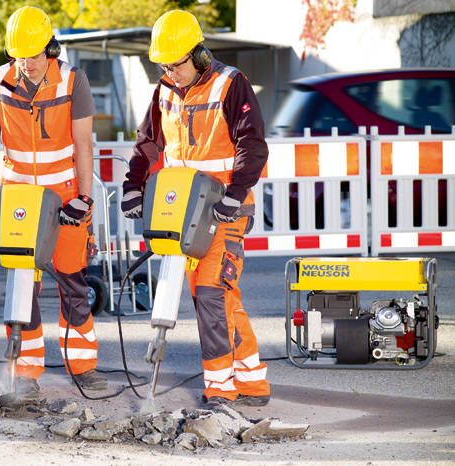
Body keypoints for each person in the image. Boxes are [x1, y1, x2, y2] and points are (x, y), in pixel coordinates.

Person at [120, 10, 271, 408]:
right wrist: (133, 187)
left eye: (178, 63)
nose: (172, 72)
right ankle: (252, 381)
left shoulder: (230, 84)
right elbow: (148, 145)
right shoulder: (165, 90)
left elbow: (252, 145)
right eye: (165, 65)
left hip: (226, 209)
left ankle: (221, 388)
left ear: (199, 54)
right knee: (220, 297)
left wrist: (236, 193)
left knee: (211, 293)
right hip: (184, 211)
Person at [0, 5, 106, 396]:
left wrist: (85, 198)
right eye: (18, 55)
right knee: (21, 284)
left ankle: (83, 366)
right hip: (18, 198)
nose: (25, 63)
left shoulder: (72, 81)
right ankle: (26, 370)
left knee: (73, 282)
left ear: (50, 48)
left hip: (63, 197)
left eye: (32, 54)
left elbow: (83, 145)